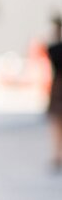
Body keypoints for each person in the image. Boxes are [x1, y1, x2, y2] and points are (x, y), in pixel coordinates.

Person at [46, 14, 62, 171]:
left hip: (58, 89)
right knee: (56, 124)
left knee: (56, 125)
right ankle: (57, 155)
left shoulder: (55, 49)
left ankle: (57, 155)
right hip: (58, 89)